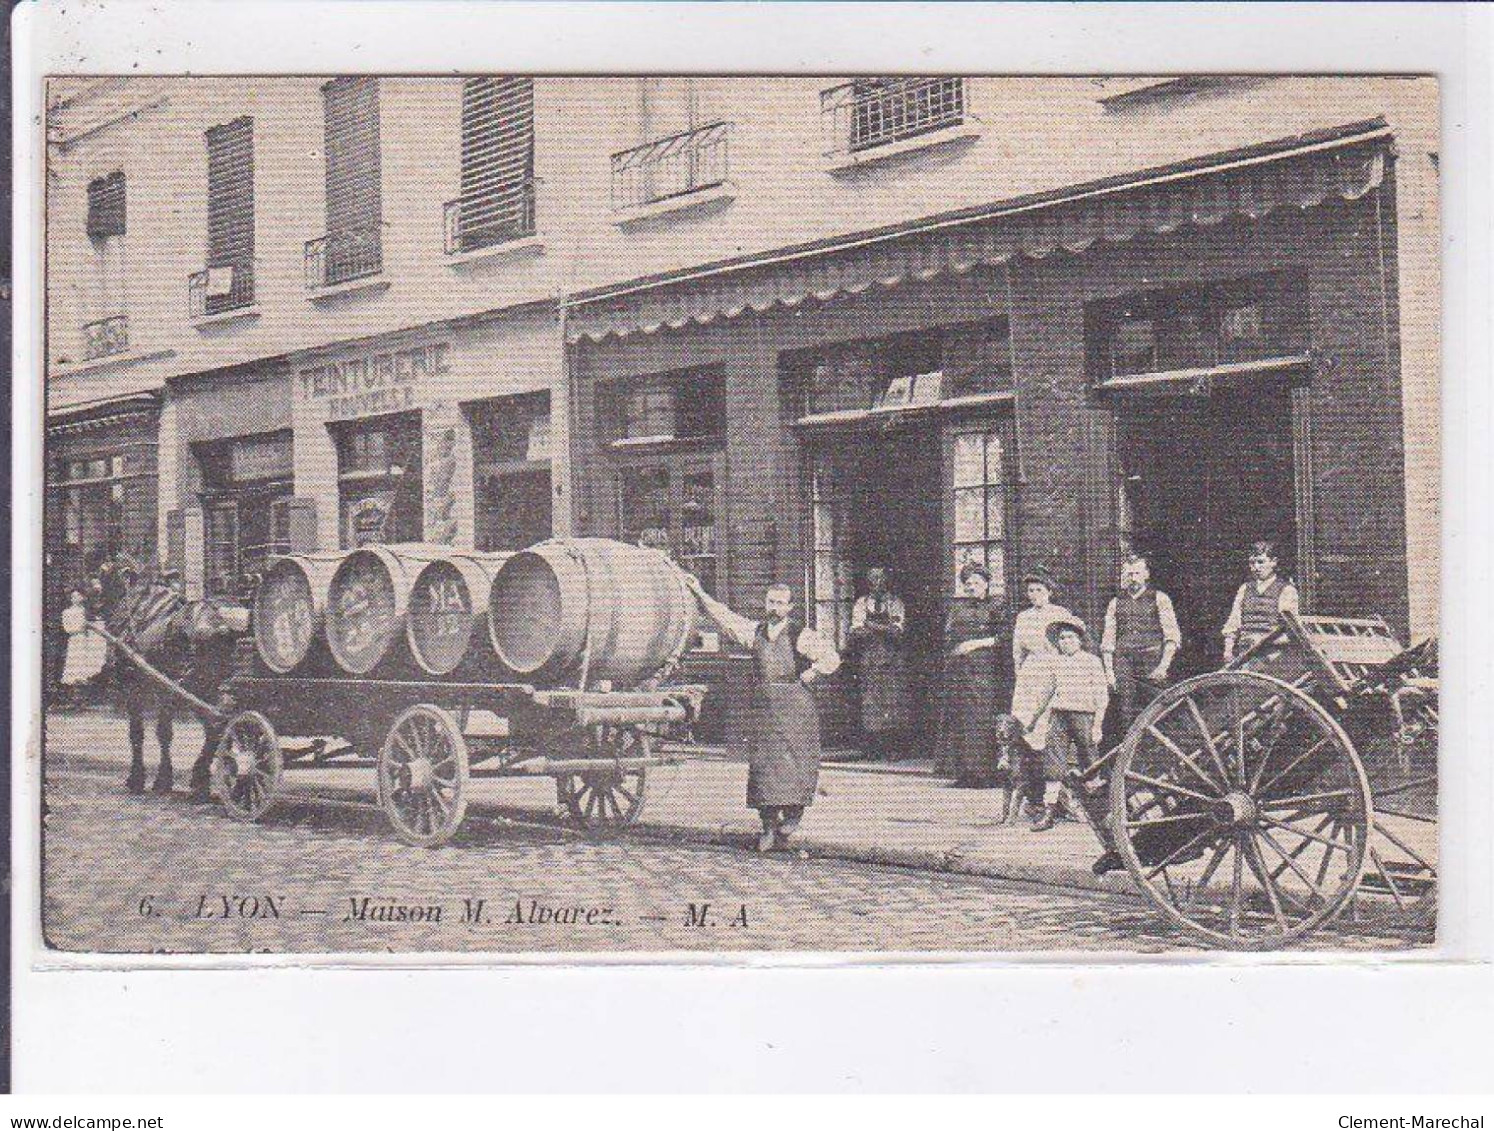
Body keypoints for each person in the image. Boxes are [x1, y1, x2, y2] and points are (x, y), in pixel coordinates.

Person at [684, 575, 840, 852]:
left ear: (790, 607)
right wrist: (699, 591)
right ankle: (768, 826)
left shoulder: (799, 634)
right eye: (771, 602)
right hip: (765, 708)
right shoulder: (755, 632)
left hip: (795, 707)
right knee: (764, 768)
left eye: (780, 603)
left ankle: (793, 817)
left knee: (796, 763)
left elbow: (831, 657)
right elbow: (726, 618)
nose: (775, 608)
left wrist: (811, 673)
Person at [1012, 616, 1109, 832]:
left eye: (1070, 638)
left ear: (1080, 640)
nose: (1066, 642)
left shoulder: (1092, 661)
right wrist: (1033, 720)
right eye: (1062, 638)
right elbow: (1045, 694)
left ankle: (1100, 813)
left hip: (1084, 716)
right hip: (1059, 716)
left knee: (1090, 761)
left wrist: (1097, 725)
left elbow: (1102, 696)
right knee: (1053, 763)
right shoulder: (1056, 662)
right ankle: (1049, 812)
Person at [934, 561, 1002, 785]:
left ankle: (983, 774)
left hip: (984, 671)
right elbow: (948, 637)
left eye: (977, 582)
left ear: (986, 584)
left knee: (980, 720)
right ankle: (963, 774)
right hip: (958, 671)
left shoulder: (996, 607)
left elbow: (1002, 638)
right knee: (960, 720)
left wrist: (975, 644)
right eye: (968, 583)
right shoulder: (957, 608)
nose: (972, 587)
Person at [1101, 553, 1181, 738]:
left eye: (1137, 573)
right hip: (1124, 663)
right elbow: (1108, 641)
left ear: (1146, 574)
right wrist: (1109, 672)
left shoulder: (1160, 599)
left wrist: (1163, 666)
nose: (1132, 578)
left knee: (1159, 709)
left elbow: (1172, 636)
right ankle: (1129, 754)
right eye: (1128, 574)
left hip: (1152, 660)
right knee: (1125, 711)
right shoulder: (1115, 603)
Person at [848, 566, 910, 761]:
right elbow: (858, 632)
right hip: (870, 660)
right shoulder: (861, 603)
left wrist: (871, 625)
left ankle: (894, 747)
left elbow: (897, 631)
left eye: (881, 579)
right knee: (871, 703)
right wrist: (883, 628)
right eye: (873, 579)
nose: (877, 583)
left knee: (892, 703)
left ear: (886, 581)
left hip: (892, 660)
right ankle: (874, 748)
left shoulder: (895, 602)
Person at [1221, 540, 1301, 662]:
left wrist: (1265, 641)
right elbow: (1233, 623)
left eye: (1261, 562)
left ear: (1273, 562)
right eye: (1252, 563)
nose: (1256, 567)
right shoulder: (1245, 589)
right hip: (1245, 654)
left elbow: (1293, 631)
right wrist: (1228, 650)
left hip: (1274, 657)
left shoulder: (1286, 590)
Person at [1012, 567, 1071, 673]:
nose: (1034, 594)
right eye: (1031, 590)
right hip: (1032, 667)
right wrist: (1019, 672)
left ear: (1049, 592)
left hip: (1057, 665)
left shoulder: (1061, 613)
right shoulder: (1023, 617)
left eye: (1039, 590)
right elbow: (1018, 650)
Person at [58, 589, 108, 703]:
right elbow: (68, 629)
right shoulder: (67, 612)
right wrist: (82, 626)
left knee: (87, 665)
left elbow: (96, 623)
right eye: (74, 596)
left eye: (79, 595)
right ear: (71, 599)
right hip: (76, 640)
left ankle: (85, 696)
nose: (77, 598)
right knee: (75, 665)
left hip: (87, 640)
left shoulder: (86, 611)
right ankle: (75, 697)